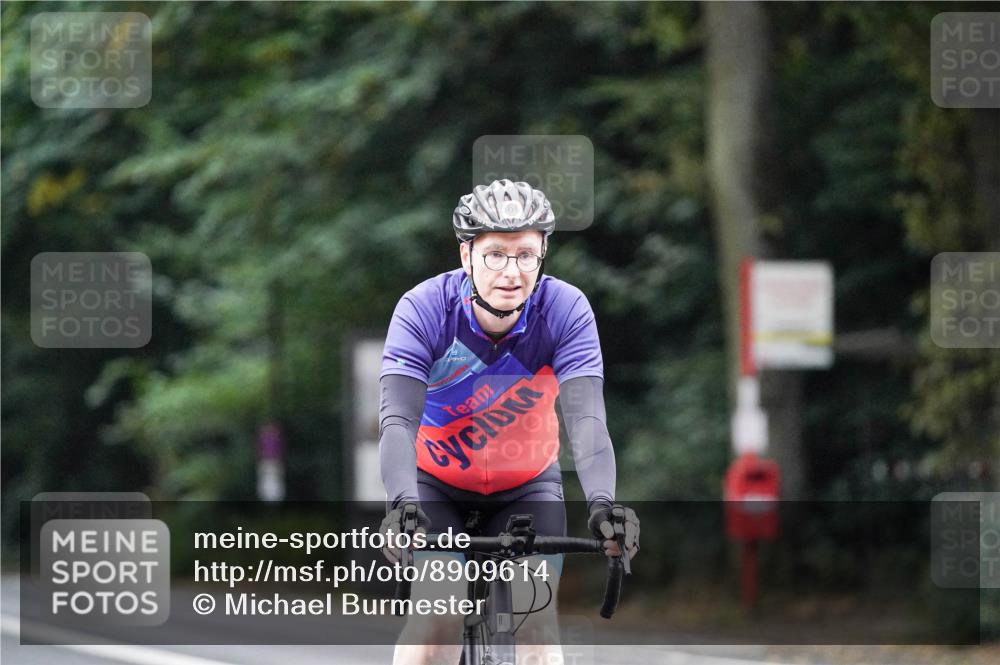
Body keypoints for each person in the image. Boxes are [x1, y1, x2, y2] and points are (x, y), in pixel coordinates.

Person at [379, 179, 639, 665]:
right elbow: (397, 419)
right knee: (437, 618)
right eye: (496, 254)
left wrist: (604, 504)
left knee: (536, 628)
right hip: (434, 484)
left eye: (526, 256)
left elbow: (586, 420)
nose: (511, 271)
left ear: (542, 257)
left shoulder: (564, 310)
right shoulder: (424, 310)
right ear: (466, 256)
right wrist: (402, 503)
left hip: (527, 486)